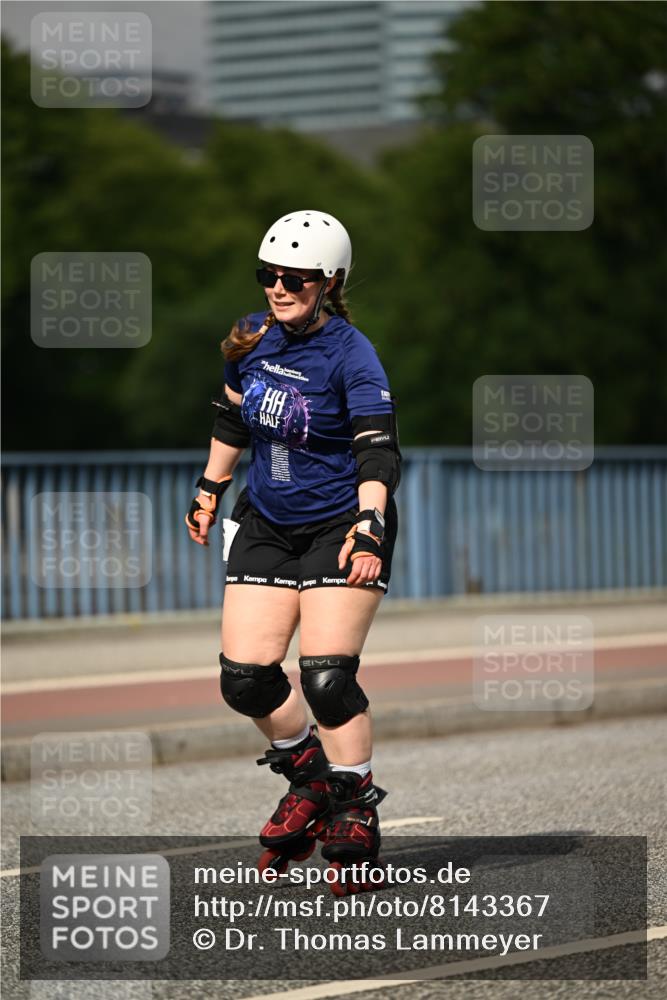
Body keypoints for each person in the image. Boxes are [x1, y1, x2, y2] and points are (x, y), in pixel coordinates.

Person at [185, 210, 401, 895]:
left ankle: (354, 808)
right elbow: (229, 418)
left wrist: (369, 522)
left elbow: (377, 449)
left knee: (326, 679)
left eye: (295, 279)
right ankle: (310, 776)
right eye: (269, 275)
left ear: (327, 281)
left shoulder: (351, 354)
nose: (279, 288)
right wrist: (209, 488)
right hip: (267, 522)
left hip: (341, 523)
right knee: (244, 679)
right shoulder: (248, 337)